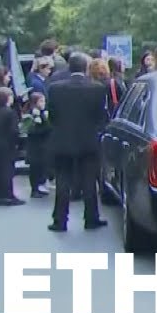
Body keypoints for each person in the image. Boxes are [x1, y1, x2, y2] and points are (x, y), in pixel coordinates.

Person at [46, 52, 109, 232]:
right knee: (89, 181)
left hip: (63, 140)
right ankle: (91, 217)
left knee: (63, 181)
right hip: (88, 140)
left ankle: (60, 220)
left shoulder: (55, 88)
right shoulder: (97, 88)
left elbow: (53, 116)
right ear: (85, 68)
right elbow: (100, 117)